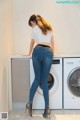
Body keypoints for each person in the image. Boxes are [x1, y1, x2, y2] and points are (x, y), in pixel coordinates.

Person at [25, 14, 54, 118]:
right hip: (47, 52)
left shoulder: (35, 29)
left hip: (37, 51)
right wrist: (52, 53)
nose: (31, 26)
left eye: (31, 24)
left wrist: (28, 53)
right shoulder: (49, 28)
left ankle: (29, 103)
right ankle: (47, 109)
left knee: (37, 79)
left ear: (34, 22)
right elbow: (52, 42)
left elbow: (32, 42)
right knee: (44, 81)